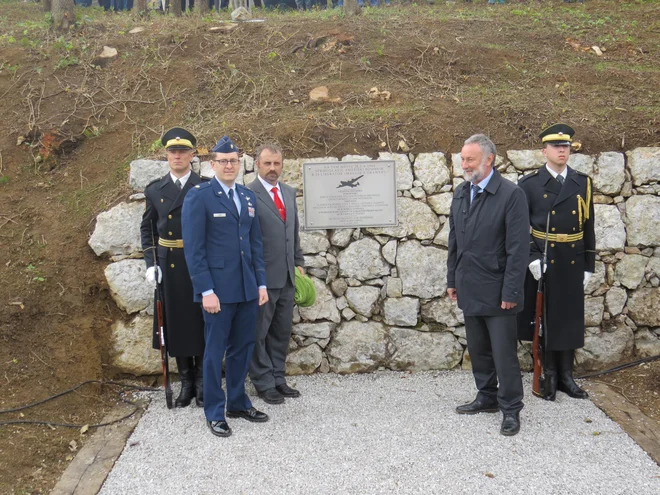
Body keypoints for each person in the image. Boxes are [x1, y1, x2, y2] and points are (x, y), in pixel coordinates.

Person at [182, 135, 269, 438]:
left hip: (246, 288)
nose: (229, 165)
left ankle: (238, 402)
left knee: (242, 348)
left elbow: (255, 244)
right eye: (223, 161)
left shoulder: (246, 197)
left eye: (233, 160)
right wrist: (206, 290)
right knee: (214, 350)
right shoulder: (200, 196)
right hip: (217, 291)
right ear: (212, 164)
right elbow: (194, 249)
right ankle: (214, 411)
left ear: (239, 163)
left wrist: (260, 283)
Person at [447, 134, 529, 437]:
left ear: (489, 159)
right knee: (479, 350)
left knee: (503, 353)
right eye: (463, 159)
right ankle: (486, 397)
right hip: (469, 286)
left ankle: (511, 408)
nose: (464, 165)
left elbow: (518, 249)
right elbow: (454, 240)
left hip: (498, 291)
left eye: (470, 159)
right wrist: (452, 279)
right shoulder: (460, 192)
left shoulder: (510, 195)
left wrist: (511, 292)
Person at [516, 124, 594, 401]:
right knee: (546, 319)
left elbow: (588, 226)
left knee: (570, 318)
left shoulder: (582, 182)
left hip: (572, 259)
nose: (563, 150)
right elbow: (518, 228)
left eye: (567, 147)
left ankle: (567, 377)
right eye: (557, 147)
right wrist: (533, 258)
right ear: (544, 151)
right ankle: (547, 373)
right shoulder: (528, 185)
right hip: (545, 260)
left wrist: (588, 264)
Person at [140, 128, 206, 408]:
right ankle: (186, 381)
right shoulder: (155, 189)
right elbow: (148, 229)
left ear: (192, 155)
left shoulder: (204, 187)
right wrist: (151, 264)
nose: (177, 156)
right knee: (176, 322)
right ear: (166, 155)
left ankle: (203, 381)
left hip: (198, 263)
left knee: (202, 320)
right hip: (170, 264)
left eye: (183, 152)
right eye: (172, 152)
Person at [247, 144, 305, 404]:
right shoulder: (247, 194)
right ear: (258, 164)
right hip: (262, 278)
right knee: (258, 333)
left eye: (277, 164)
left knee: (281, 331)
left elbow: (293, 232)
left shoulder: (289, 193)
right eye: (267, 163)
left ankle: (278, 378)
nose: (272, 168)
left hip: (287, 277)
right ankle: (263, 382)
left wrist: (298, 261)